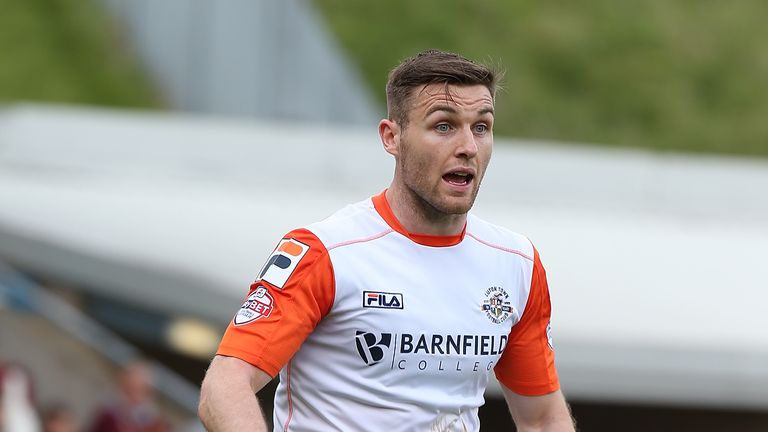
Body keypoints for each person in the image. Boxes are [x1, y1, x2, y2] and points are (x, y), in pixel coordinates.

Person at [198, 49, 575, 431]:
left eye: (481, 127)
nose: (468, 147)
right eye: (444, 126)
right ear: (391, 137)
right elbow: (225, 385)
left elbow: (542, 419)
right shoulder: (324, 252)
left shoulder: (516, 262)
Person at [88, 360, 170, 432]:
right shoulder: (108, 416)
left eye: (136, 390)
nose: (128, 396)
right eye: (126, 389)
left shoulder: (155, 425)